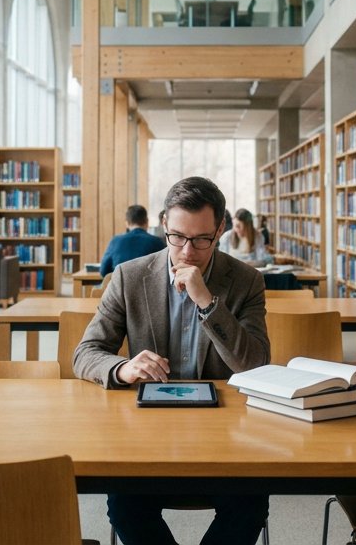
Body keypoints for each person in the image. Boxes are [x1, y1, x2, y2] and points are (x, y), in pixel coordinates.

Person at [72, 176, 271, 545]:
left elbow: (255, 365)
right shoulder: (129, 277)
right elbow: (85, 353)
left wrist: (208, 303)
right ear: (163, 224)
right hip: (146, 436)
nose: (187, 251)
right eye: (177, 236)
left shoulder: (246, 281)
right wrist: (121, 368)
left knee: (250, 502)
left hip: (224, 438)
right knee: (124, 504)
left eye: (201, 240)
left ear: (220, 229)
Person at [99, 204, 165, 277]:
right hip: (148, 287)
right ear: (147, 221)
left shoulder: (115, 241)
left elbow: (103, 271)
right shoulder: (157, 242)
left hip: (121, 286)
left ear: (127, 223)